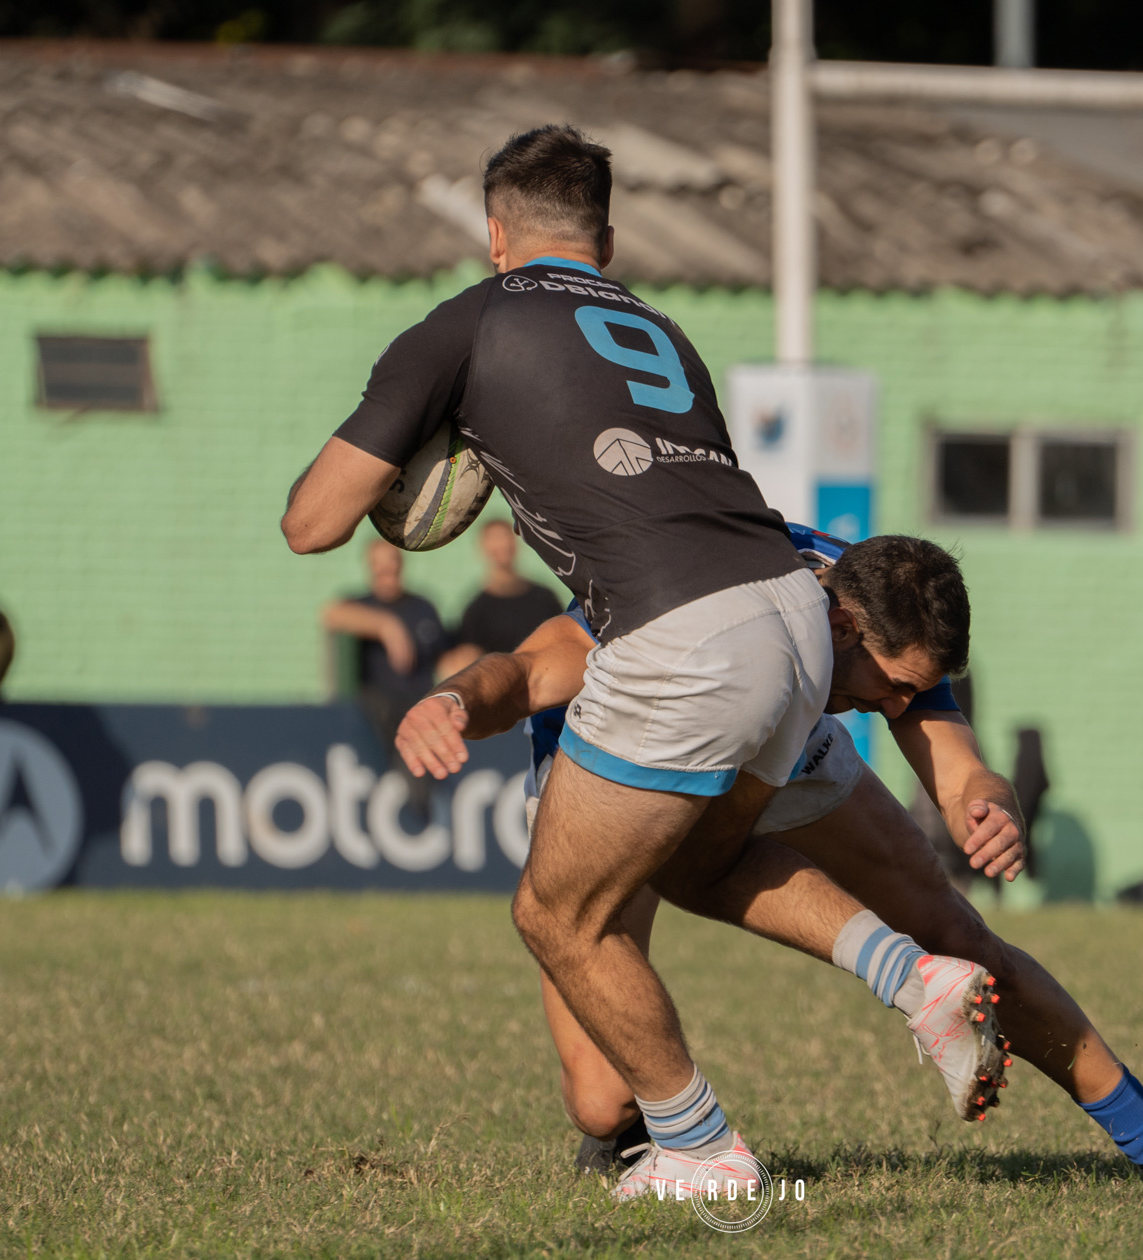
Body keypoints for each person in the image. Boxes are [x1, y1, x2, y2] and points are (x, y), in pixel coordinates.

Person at [282, 125, 1010, 1199]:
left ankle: (701, 1148)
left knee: (553, 914)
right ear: (608, 243)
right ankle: (915, 979)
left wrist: (431, 440)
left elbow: (312, 525)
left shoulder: (469, 322)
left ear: (495, 236)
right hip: (796, 616)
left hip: (678, 637)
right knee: (698, 867)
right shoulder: (664, 335)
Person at [397, 526, 1143, 1187]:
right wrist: (453, 703)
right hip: (614, 764)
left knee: (958, 933)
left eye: (912, 693)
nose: (895, 710)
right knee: (600, 1101)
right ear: (841, 624)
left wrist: (990, 807)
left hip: (781, 728)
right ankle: (656, 1150)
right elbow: (529, 671)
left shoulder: (874, 602)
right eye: (891, 689)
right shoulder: (680, 608)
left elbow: (960, 768)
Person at [320, 540, 458, 810]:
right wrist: (387, 627)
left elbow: (445, 659)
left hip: (419, 706)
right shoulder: (361, 605)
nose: (387, 571)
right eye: (379, 565)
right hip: (378, 711)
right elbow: (332, 614)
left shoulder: (422, 607)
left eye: (392, 563)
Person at [441, 518, 563, 676]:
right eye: (494, 539)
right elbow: (468, 661)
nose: (502, 544)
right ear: (483, 548)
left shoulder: (545, 598)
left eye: (505, 537)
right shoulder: (476, 611)